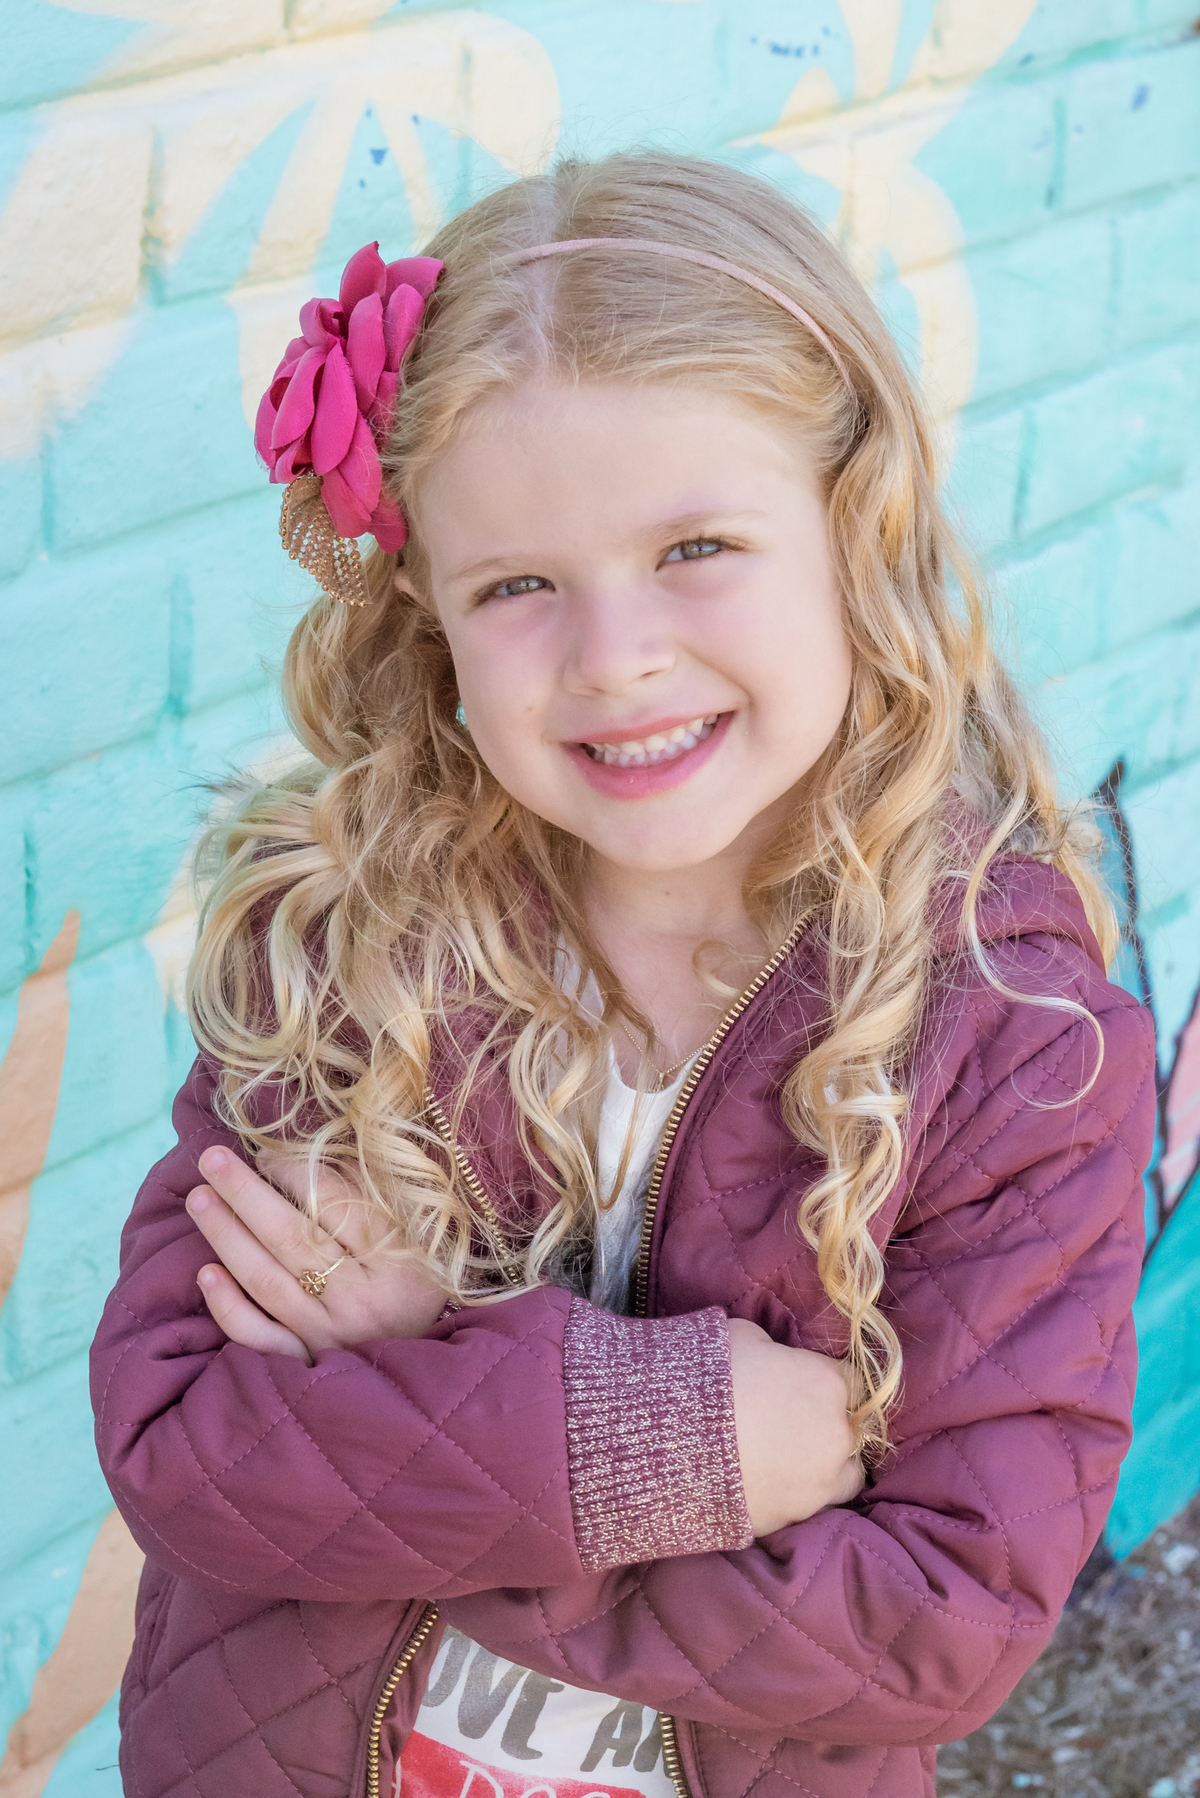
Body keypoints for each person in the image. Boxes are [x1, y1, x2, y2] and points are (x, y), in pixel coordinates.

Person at [90, 151, 1155, 1798]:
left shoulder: (1013, 1032)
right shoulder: (352, 937)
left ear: (854, 529)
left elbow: (941, 1615)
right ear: (431, 616)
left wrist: (414, 1375)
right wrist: (672, 1443)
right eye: (517, 585)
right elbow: (186, 1443)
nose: (616, 658)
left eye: (696, 545)